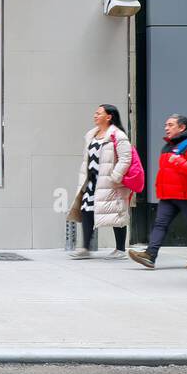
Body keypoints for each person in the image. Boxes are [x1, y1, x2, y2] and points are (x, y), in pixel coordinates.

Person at [128, 114, 187, 270]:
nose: (166, 128)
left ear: (182, 127)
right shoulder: (168, 146)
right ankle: (150, 255)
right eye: (166, 125)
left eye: (171, 125)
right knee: (160, 224)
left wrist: (180, 161)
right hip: (168, 195)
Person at [67, 104, 133, 259]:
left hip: (110, 182)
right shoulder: (91, 135)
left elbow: (126, 158)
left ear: (109, 117)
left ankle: (120, 250)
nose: (95, 115)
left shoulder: (118, 135)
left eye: (98, 113)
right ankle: (85, 248)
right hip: (92, 182)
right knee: (86, 210)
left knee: (116, 213)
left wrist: (116, 176)